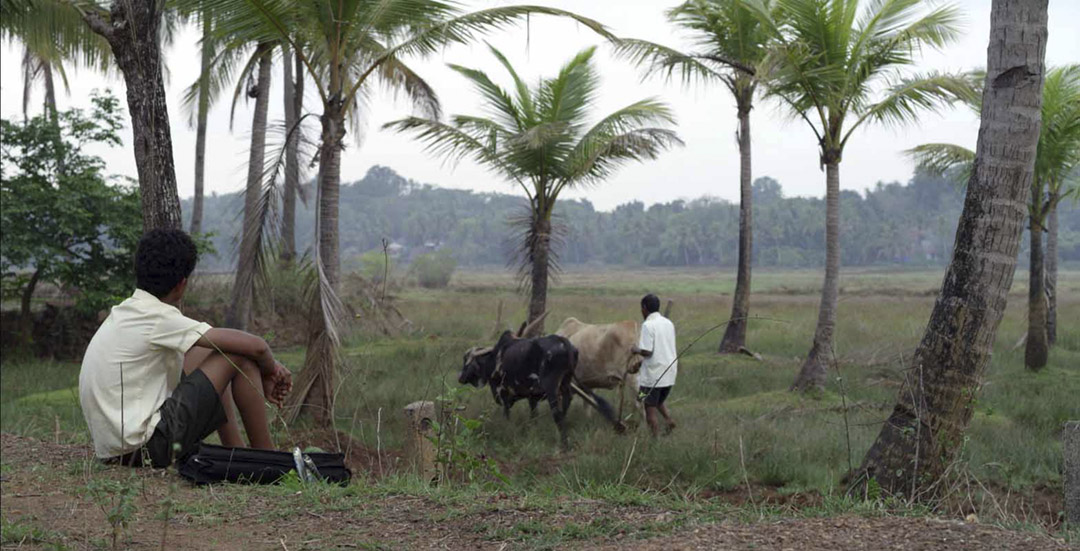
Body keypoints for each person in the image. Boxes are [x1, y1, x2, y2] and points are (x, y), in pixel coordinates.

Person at [79, 229, 292, 467]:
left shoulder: (128, 311)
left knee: (208, 351)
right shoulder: (158, 316)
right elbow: (258, 347)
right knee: (237, 356)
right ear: (182, 284)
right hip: (146, 450)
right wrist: (271, 370)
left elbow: (221, 345)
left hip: (115, 451)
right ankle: (272, 461)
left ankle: (236, 453)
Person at [633, 294, 678, 437]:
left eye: (641, 309)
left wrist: (635, 350)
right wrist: (639, 364)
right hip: (669, 373)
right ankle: (669, 420)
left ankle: (655, 440)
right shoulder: (668, 323)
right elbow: (660, 350)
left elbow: (647, 351)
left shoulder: (647, 325)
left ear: (644, 308)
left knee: (649, 407)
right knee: (652, 399)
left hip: (653, 376)